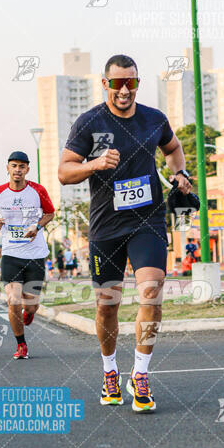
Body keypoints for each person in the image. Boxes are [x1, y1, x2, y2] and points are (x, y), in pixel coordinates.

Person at [58, 54, 191, 412]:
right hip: (106, 227)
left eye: (131, 82)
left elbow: (173, 149)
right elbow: (63, 171)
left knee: (151, 291)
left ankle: (142, 374)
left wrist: (181, 173)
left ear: (137, 83)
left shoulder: (154, 119)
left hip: (147, 220)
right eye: (117, 83)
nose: (124, 90)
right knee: (107, 306)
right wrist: (95, 163)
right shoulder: (89, 123)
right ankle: (110, 370)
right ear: (106, 84)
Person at [0, 151, 54, 360]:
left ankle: (29, 313)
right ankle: (21, 344)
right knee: (13, 300)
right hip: (11, 254)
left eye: (22, 166)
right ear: (7, 168)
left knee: (30, 305)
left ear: (27, 170)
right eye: (14, 166)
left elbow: (50, 213)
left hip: (35, 255)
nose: (17, 170)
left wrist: (37, 227)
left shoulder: (38, 191)